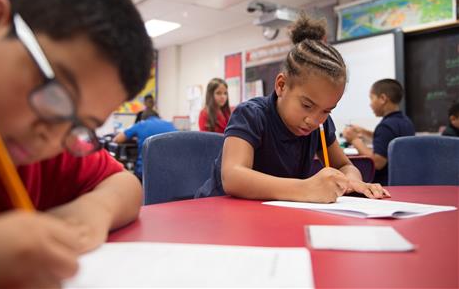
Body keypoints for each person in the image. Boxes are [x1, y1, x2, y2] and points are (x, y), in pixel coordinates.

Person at [0, 0, 153, 288]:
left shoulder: (52, 138)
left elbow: (124, 184)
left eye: (83, 126)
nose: (50, 137)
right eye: (55, 96)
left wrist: (93, 209)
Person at [195, 13, 390, 202]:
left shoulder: (321, 125)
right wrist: (305, 188)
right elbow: (233, 177)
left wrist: (351, 181)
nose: (314, 120)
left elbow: (344, 165)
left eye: (326, 110)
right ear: (281, 85)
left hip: (267, 218)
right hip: (216, 213)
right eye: (307, 105)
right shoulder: (251, 115)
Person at [343, 79, 415, 185]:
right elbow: (388, 140)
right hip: (405, 181)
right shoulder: (405, 121)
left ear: (382, 98)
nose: (370, 104)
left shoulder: (385, 126)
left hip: (386, 184)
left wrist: (354, 140)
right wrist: (363, 131)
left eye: (371, 98)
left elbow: (377, 162)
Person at [113, 111, 177, 179]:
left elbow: (117, 140)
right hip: (171, 171)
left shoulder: (141, 124)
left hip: (146, 171)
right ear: (158, 117)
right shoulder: (170, 125)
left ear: (142, 119)